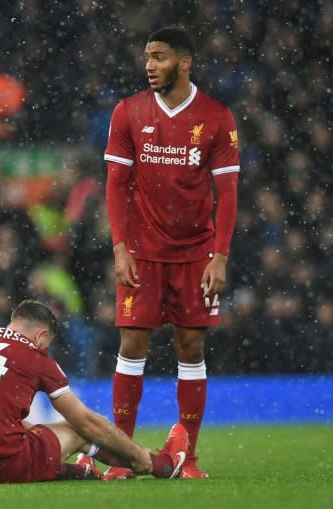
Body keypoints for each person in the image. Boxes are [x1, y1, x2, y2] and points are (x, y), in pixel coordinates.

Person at [102, 27, 240, 479]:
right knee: (132, 342)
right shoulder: (128, 112)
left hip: (195, 253)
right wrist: (120, 247)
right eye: (147, 57)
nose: (149, 65)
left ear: (185, 62)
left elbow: (228, 191)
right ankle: (122, 456)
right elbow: (116, 185)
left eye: (159, 57)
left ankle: (189, 455)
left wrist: (219, 256)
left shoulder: (217, 118)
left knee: (191, 344)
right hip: (141, 251)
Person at [0, 299, 189, 484]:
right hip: (2, 467)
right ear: (41, 335)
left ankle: (78, 471)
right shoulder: (34, 356)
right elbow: (86, 422)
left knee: (25, 431)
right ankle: (156, 464)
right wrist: (135, 453)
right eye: (47, 343)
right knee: (77, 430)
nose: (46, 348)